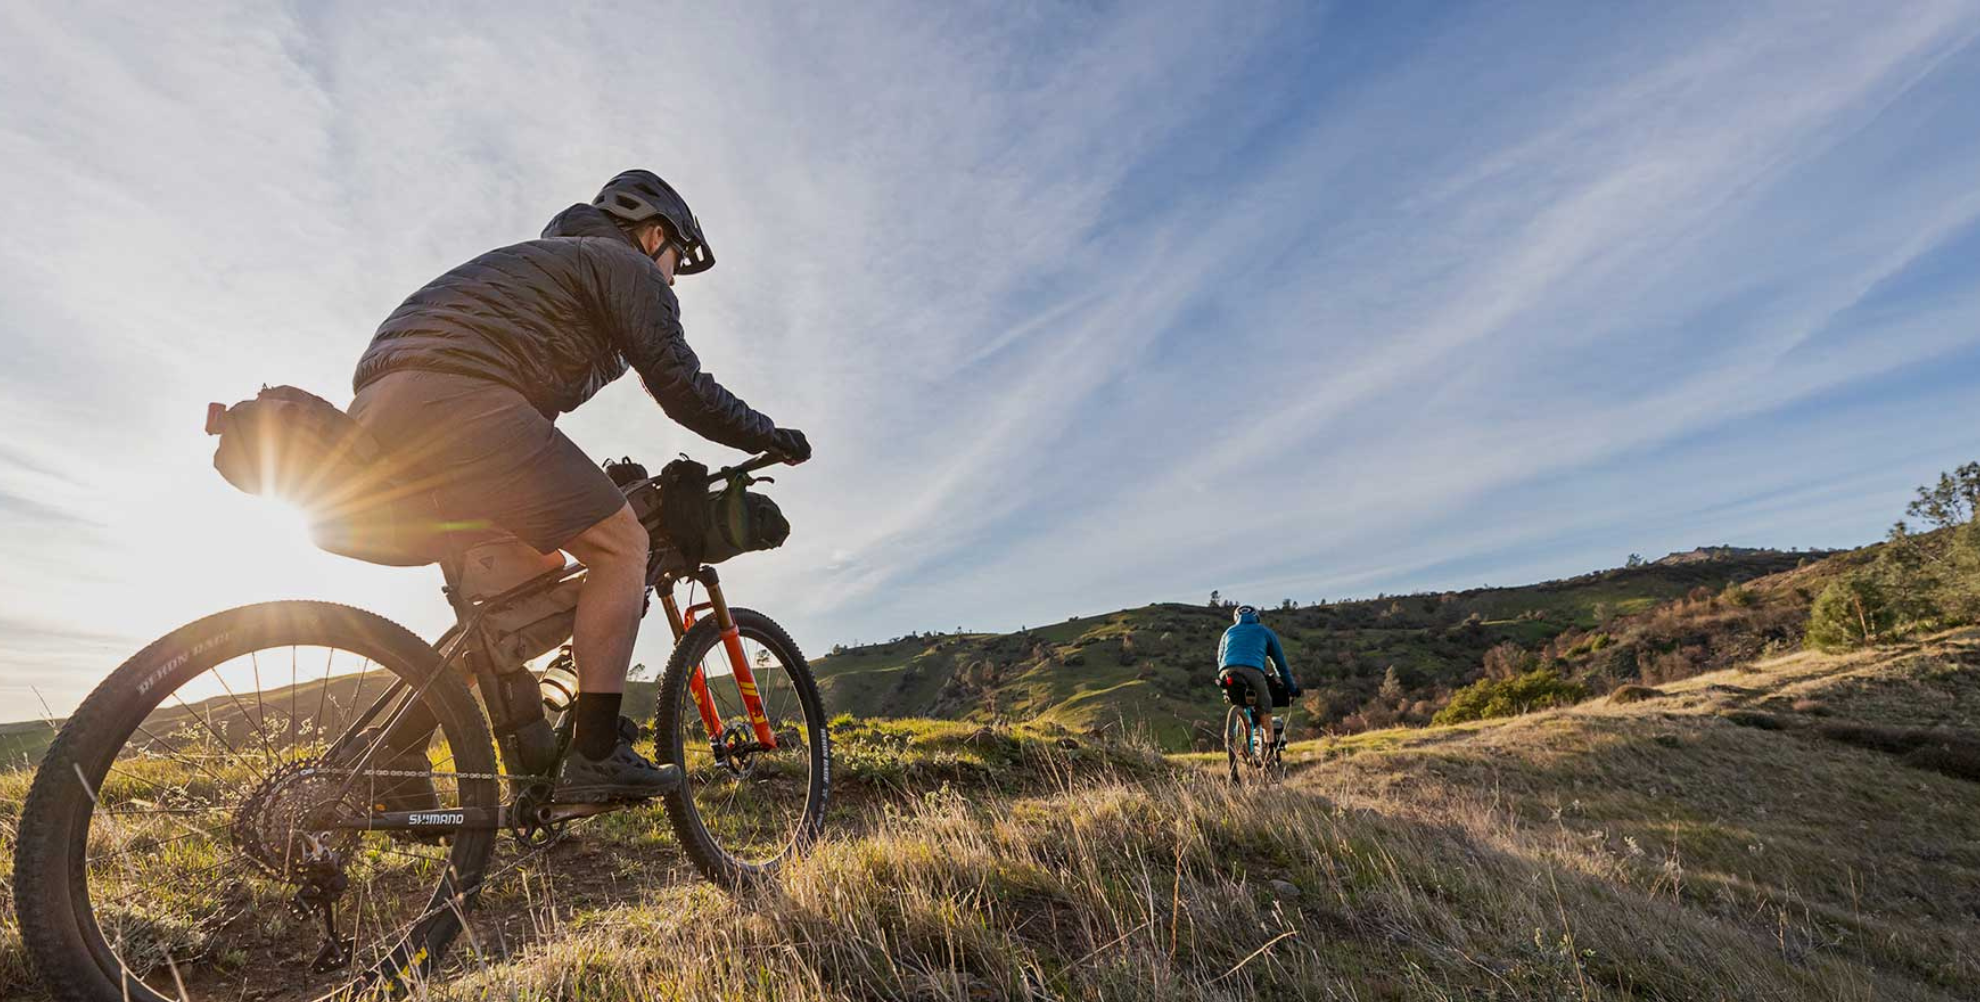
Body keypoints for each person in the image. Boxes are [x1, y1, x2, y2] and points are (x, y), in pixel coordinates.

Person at [346, 169, 809, 804]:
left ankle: (394, 756)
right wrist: (769, 433)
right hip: (461, 398)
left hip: (383, 414)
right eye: (674, 261)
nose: (671, 279)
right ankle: (595, 751)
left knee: (521, 584)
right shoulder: (625, 268)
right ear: (652, 236)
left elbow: (525, 416)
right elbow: (680, 387)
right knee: (622, 545)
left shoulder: (549, 267)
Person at [1216, 605, 1300, 753]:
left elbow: (1220, 658)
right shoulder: (1264, 631)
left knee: (1237, 700)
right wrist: (1292, 688)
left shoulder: (1228, 632)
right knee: (1265, 705)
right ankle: (1269, 750)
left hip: (1226, 671)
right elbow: (1280, 665)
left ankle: (1238, 736)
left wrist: (1224, 675)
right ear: (1257, 617)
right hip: (1253, 670)